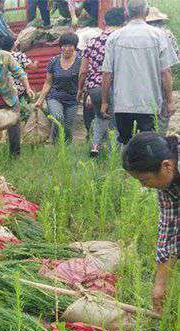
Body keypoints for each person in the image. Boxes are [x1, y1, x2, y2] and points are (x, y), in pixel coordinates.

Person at [101, 0, 178, 145]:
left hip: (122, 102)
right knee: (149, 145)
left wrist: (105, 101)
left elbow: (106, 73)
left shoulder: (115, 37)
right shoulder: (159, 35)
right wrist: (169, 101)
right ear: (146, 12)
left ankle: (127, 167)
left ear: (127, 13)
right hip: (149, 103)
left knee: (126, 142)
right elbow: (165, 71)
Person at [122, 132, 180, 314]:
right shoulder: (166, 182)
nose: (143, 186)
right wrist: (160, 283)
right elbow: (169, 227)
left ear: (167, 166)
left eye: (144, 180)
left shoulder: (166, 167)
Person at [77, 7, 126, 157]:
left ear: (104, 22)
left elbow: (83, 70)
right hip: (115, 86)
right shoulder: (122, 39)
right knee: (115, 123)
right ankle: (114, 157)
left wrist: (80, 89)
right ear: (123, 22)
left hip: (94, 88)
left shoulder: (92, 41)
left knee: (100, 117)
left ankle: (95, 146)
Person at [35, 33, 82, 144]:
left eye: (70, 45)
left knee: (68, 127)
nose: (67, 49)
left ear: (75, 46)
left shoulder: (80, 61)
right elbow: (48, 82)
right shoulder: (54, 61)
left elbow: (84, 80)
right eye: (64, 46)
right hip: (55, 96)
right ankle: (55, 144)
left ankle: (66, 150)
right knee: (58, 117)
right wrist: (40, 99)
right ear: (60, 47)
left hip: (72, 99)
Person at [147, 7, 180, 135]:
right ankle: (159, 138)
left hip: (145, 78)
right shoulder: (167, 34)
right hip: (162, 77)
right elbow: (174, 57)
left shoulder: (142, 33)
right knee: (163, 111)